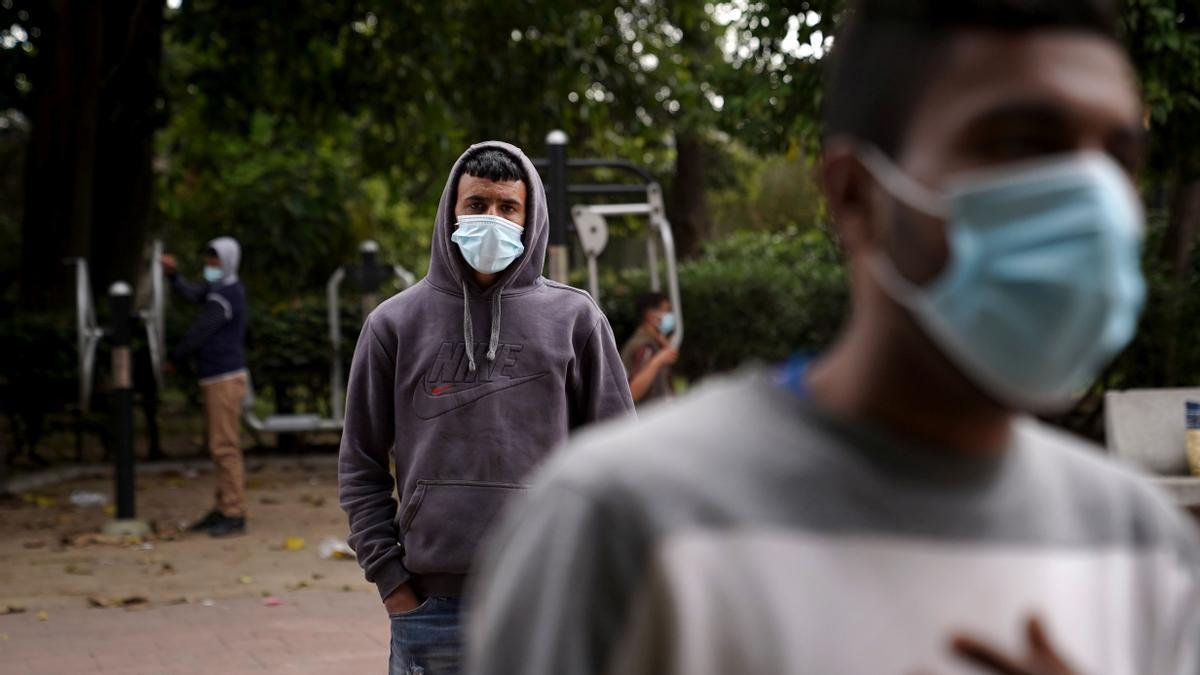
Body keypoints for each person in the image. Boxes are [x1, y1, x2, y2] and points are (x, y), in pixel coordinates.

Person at [466, 2, 1200, 674]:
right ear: (855, 195)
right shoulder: (624, 524)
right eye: (1017, 142)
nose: (1088, 197)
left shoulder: (1143, 548)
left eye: (1119, 157)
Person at [338, 142, 635, 674]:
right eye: (476, 205)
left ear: (531, 217)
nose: (491, 219)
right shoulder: (394, 324)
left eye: (507, 207)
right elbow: (359, 464)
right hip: (432, 608)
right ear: (451, 210)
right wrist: (394, 585)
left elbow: (623, 464)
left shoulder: (575, 320)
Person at [162, 237, 248, 538]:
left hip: (225, 379)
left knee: (225, 447)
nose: (210, 265)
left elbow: (203, 329)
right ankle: (223, 506)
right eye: (209, 259)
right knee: (218, 446)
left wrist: (175, 357)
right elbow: (191, 295)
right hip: (215, 377)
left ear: (227, 262)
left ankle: (234, 512)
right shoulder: (218, 290)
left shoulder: (228, 294)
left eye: (215, 260)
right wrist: (173, 277)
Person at [620, 292, 679, 405]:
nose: (670, 315)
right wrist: (658, 360)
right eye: (667, 310)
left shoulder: (652, 342)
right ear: (650, 314)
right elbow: (632, 393)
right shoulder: (644, 347)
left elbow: (672, 356)